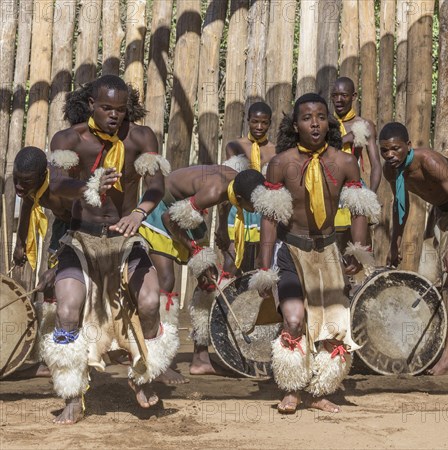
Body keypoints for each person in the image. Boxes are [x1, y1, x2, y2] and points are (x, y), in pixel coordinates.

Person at [44, 75, 177, 424]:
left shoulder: (141, 137)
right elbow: (56, 182)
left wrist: (139, 212)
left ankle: (144, 375)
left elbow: (157, 184)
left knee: (150, 300)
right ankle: (73, 394)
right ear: (91, 105)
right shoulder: (70, 139)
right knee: (68, 311)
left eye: (120, 109)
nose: (114, 116)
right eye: (106, 108)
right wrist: (88, 184)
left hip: (125, 239)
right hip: (81, 240)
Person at [250, 93, 380, 414]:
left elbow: (359, 209)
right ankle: (292, 389)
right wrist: (264, 267)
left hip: (329, 255)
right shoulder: (281, 164)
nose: (315, 123)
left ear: (329, 122)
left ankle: (319, 391)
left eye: (321, 116)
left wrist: (357, 251)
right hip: (292, 251)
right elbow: (269, 217)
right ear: (295, 125)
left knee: (333, 328)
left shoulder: (346, 162)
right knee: (293, 319)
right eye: (307, 118)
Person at [139, 161, 265, 376]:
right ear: (242, 199)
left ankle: (200, 358)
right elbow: (168, 218)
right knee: (166, 281)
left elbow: (226, 205)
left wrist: (223, 231)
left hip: (187, 211)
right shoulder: (215, 190)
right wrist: (195, 251)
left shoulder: (237, 182)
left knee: (208, 284)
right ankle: (158, 359)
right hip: (162, 209)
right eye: (252, 206)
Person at [380, 122, 448, 376]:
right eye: (384, 151)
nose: (390, 155)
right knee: (428, 280)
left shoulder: (430, 162)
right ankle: (432, 349)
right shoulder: (391, 171)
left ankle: (447, 360)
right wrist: (395, 243)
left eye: (395, 149)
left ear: (408, 146)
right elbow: (399, 207)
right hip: (439, 214)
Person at [11, 146, 73, 377]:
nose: (18, 186)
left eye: (25, 182)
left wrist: (59, 268)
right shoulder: (30, 187)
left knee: (67, 285)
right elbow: (27, 207)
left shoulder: (61, 188)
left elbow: (82, 224)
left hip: (86, 228)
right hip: (62, 226)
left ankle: (71, 354)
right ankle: (50, 357)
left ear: (42, 175)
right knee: (50, 295)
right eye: (16, 179)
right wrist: (20, 245)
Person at [223, 102, 277, 273]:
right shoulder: (234, 146)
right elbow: (228, 184)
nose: (259, 127)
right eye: (255, 121)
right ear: (248, 121)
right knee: (231, 258)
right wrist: (221, 224)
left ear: (270, 123)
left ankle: (256, 298)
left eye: (264, 122)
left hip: (264, 209)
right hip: (239, 208)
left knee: (262, 259)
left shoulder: (275, 150)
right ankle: (225, 296)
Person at [330, 77, 382, 246]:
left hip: (354, 189)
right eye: (335, 95)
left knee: (359, 247)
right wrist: (346, 139)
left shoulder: (364, 125)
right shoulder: (324, 124)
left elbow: (375, 164)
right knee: (333, 244)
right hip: (329, 187)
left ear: (353, 96)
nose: (338, 99)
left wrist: (371, 195)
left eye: (343, 95)